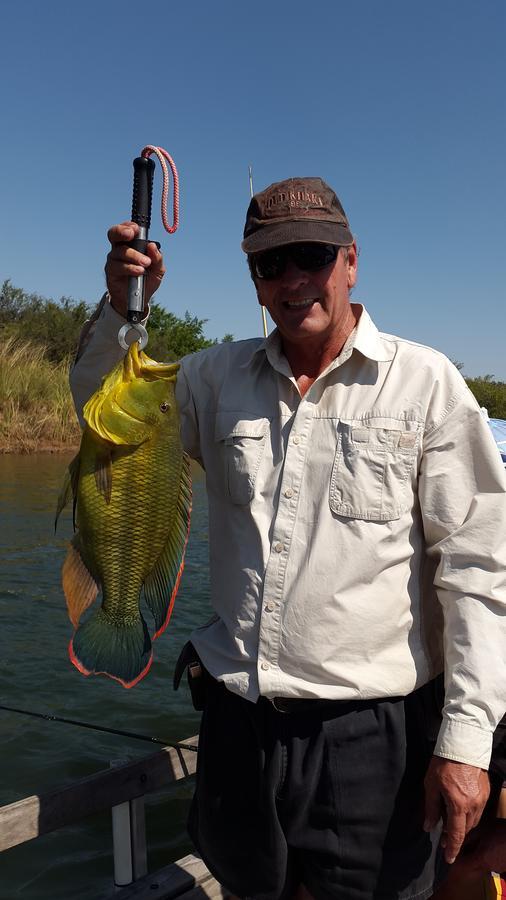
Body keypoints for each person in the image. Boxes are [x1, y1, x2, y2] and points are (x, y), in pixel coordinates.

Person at [70, 177, 506, 900]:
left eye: (312, 255)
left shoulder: (426, 384)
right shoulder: (213, 377)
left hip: (373, 743)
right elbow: (102, 408)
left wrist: (465, 742)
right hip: (238, 730)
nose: (294, 279)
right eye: (271, 265)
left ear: (351, 260)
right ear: (255, 282)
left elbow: (479, 570)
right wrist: (122, 308)